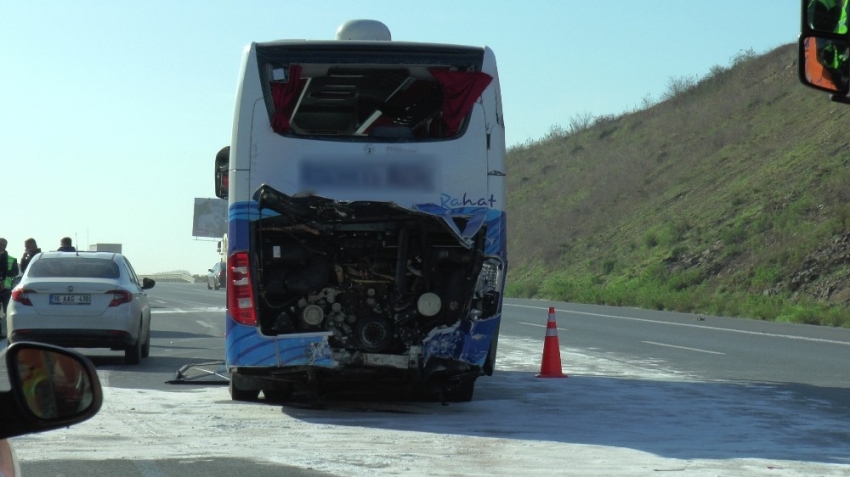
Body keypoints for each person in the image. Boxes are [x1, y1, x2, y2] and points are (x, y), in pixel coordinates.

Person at [0, 238, 20, 320]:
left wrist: (6, 274)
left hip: (6, 289)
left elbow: (15, 273)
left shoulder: (11, 259)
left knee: (7, 310)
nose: (1, 246)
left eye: (3, 245)